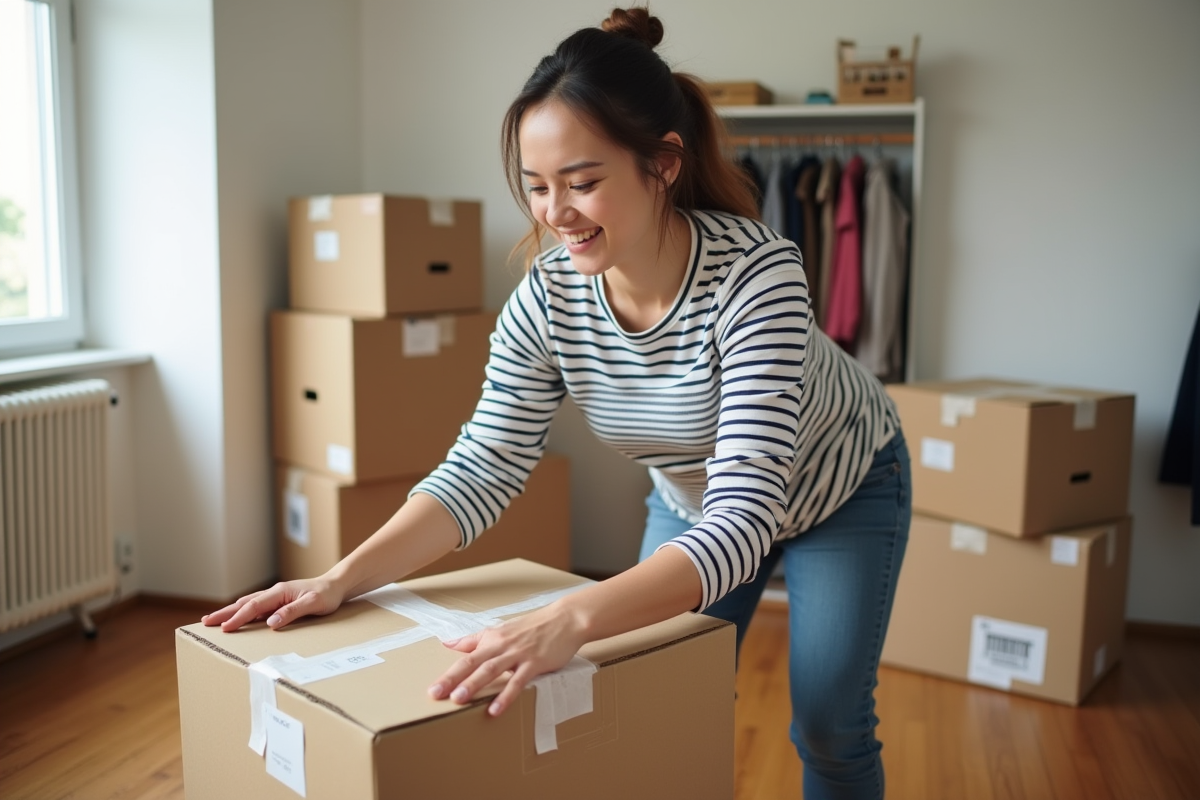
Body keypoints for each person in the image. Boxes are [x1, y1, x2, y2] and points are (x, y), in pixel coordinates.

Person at [204, 8, 911, 799]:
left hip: (841, 487)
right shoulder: (547, 296)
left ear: (663, 164)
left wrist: (572, 614)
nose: (555, 213)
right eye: (538, 187)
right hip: (692, 502)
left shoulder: (758, 279)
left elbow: (746, 520)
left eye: (583, 183)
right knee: (658, 699)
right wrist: (342, 578)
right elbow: (484, 465)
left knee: (829, 723)